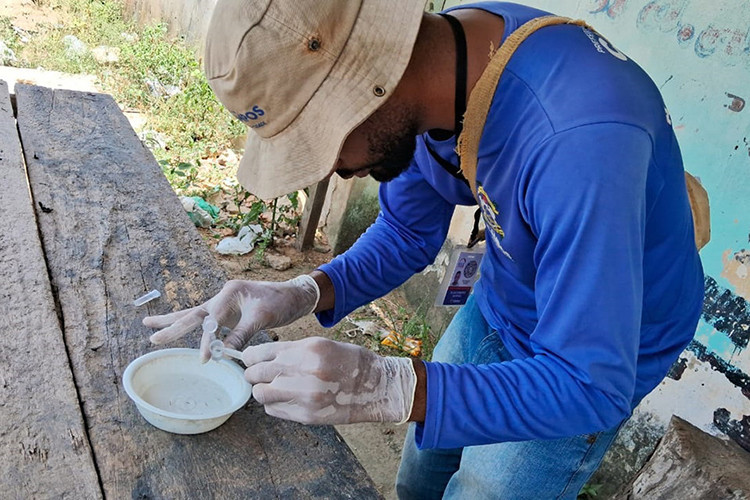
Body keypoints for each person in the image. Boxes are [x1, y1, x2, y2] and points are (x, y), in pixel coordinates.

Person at [143, 0, 705, 497]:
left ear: (369, 83)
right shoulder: (440, 75)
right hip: (506, 301)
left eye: (320, 143)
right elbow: (409, 232)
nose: (332, 171)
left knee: (488, 488)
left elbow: (587, 382)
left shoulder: (582, 141)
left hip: (598, 353)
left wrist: (391, 384)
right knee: (422, 470)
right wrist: (303, 290)